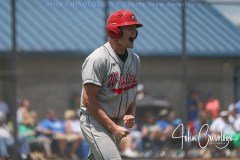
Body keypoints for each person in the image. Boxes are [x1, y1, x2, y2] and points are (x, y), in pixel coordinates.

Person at [79, 9, 143, 160]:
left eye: (135, 28)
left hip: (117, 121)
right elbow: (89, 100)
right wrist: (113, 128)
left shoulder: (135, 60)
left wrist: (130, 114)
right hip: (95, 121)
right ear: (114, 32)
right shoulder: (98, 59)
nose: (134, 32)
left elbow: (132, 93)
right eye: (129, 28)